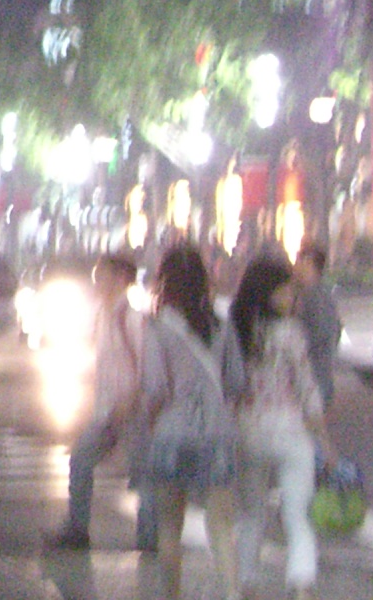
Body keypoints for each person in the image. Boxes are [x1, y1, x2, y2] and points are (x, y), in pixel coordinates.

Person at [139, 244, 241, 600]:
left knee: (170, 527)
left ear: (164, 282)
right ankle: (231, 593)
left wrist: (152, 422)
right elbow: (235, 383)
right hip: (215, 433)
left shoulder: (157, 329)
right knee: (221, 526)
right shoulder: (221, 327)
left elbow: (154, 388)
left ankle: (172, 594)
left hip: (172, 433)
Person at [231, 252, 328, 600]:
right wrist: (324, 440)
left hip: (248, 429)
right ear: (270, 293)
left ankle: (247, 581)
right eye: (287, 291)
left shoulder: (238, 333)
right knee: (298, 513)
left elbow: (230, 384)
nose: (293, 297)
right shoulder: (290, 332)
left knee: (251, 512)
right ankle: (301, 583)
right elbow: (306, 386)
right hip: (289, 430)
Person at [51, 253, 157, 552]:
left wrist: (131, 400)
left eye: (103, 275)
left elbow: (147, 367)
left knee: (143, 474)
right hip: (107, 411)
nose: (98, 281)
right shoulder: (103, 315)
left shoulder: (131, 318)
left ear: (122, 279)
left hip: (132, 410)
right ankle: (77, 528)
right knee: (80, 460)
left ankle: (149, 538)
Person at [290, 244, 340, 410]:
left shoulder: (312, 296)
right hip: (321, 375)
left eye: (299, 261)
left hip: (313, 376)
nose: (295, 267)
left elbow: (318, 335)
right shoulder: (322, 293)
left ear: (309, 264)